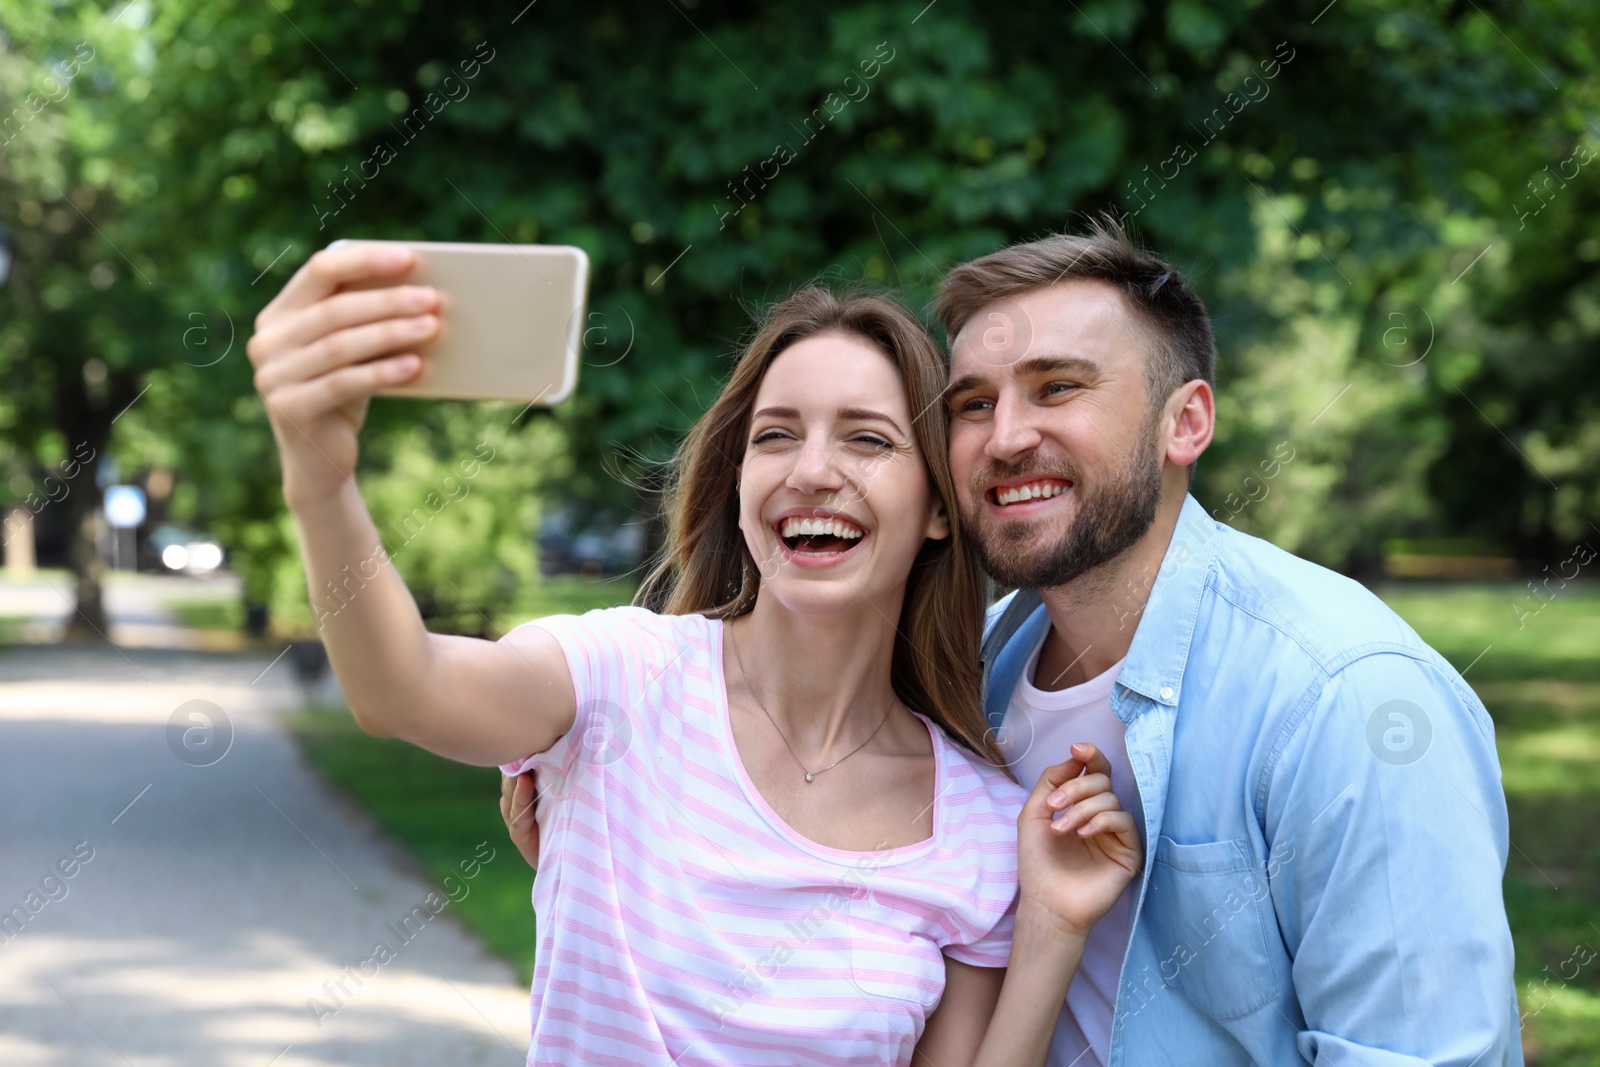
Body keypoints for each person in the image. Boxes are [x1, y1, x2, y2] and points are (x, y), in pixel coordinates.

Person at [506, 218, 1523, 1065]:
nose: (1003, 437)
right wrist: (618, 846)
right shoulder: (972, 678)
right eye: (972, 404)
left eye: (1058, 388)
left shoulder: (1343, 698)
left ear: (1186, 422)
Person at [246, 245, 1141, 1067]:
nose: (811, 470)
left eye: (867, 438)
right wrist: (319, 476)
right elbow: (403, 688)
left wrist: (1054, 923)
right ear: (741, 481)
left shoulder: (982, 827)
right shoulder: (618, 677)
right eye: (775, 435)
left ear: (940, 506)